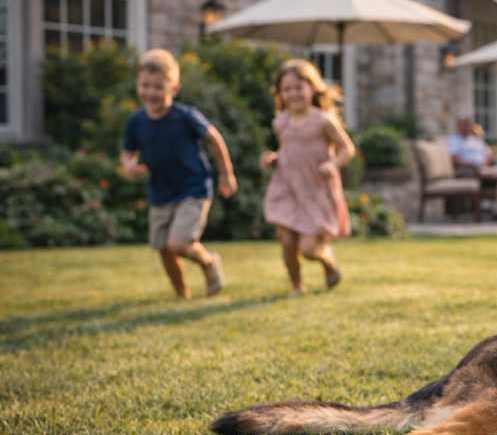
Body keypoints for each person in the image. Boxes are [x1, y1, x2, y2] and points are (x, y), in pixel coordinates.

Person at [121, 49, 237, 299]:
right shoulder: (136, 121)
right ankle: (182, 295)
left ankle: (208, 263)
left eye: (159, 87)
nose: (151, 92)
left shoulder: (185, 117)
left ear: (173, 89)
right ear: (137, 85)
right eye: (145, 85)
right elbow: (127, 151)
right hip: (160, 192)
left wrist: (226, 174)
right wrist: (128, 164)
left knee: (178, 244)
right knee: (163, 248)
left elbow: (213, 138)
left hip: (193, 189)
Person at [260, 59, 355, 297]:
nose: (293, 93)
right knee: (288, 244)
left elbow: (347, 148)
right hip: (288, 189)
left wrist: (333, 164)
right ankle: (296, 285)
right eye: (287, 89)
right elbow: (287, 151)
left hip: (314, 190)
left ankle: (326, 257)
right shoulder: (280, 123)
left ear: (313, 88)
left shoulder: (323, 120)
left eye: (298, 87)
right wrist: (273, 158)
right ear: (280, 93)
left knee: (309, 248)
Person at [447, 116, 497, 220]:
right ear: (457, 126)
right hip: (467, 170)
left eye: (467, 124)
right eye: (462, 124)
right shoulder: (454, 140)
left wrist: (485, 163)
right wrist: (472, 165)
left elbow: (489, 156)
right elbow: (455, 159)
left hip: (483, 169)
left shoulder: (476, 140)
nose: (465, 127)